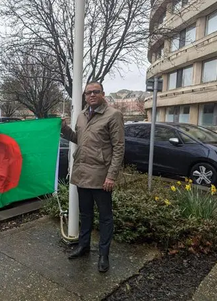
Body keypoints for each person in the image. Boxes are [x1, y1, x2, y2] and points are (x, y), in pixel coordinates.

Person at [61, 81, 125, 273]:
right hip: (82, 174)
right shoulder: (81, 115)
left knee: (105, 217)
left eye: (95, 92)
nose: (91, 95)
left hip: (101, 176)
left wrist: (111, 176)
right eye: (88, 92)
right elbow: (78, 139)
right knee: (85, 214)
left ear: (103, 93)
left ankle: (103, 254)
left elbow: (119, 147)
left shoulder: (113, 115)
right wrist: (64, 129)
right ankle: (84, 246)